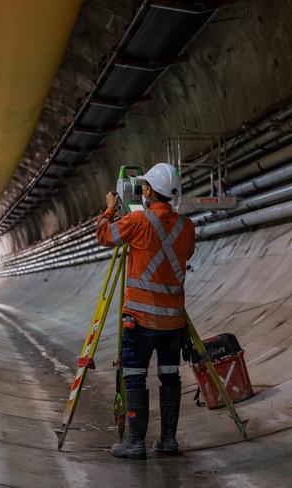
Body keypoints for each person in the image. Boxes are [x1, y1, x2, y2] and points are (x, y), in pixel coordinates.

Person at [96, 162, 195, 460]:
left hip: (140, 321)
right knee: (170, 376)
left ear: (148, 190)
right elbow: (186, 252)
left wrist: (110, 208)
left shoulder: (138, 222)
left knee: (136, 376)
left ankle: (135, 443)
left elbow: (104, 236)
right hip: (174, 322)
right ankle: (167, 441)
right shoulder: (186, 226)